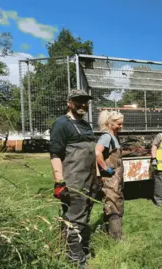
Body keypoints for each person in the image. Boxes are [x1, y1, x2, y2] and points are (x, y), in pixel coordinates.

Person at [49, 89, 96, 268]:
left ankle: (79, 249)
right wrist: (59, 181)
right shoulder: (62, 124)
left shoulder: (85, 125)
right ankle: (77, 260)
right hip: (73, 180)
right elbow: (55, 154)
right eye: (78, 101)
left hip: (89, 179)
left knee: (85, 215)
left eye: (85, 101)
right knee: (75, 219)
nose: (83, 104)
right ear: (69, 103)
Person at [95, 110, 125, 240]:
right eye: (119, 124)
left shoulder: (114, 136)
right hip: (110, 179)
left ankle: (110, 231)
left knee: (115, 202)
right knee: (113, 204)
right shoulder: (106, 136)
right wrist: (105, 168)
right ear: (110, 123)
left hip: (116, 178)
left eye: (122, 124)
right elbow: (97, 153)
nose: (121, 126)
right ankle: (115, 237)